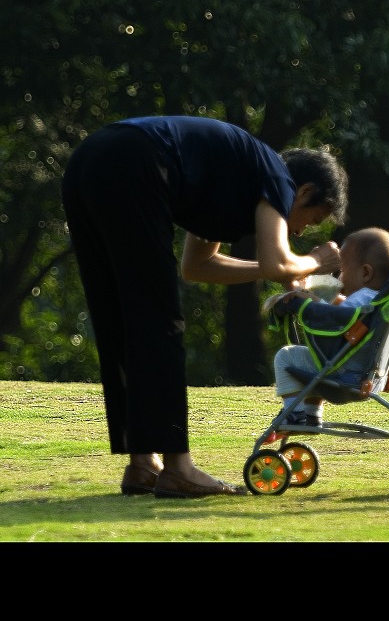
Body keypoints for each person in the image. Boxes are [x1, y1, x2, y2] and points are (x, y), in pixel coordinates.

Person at [61, 115, 348, 498]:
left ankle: (144, 461)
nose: (300, 232)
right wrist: (317, 261)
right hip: (136, 161)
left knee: (121, 317)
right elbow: (280, 263)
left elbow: (197, 267)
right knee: (161, 323)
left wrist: (283, 269)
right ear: (304, 191)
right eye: (311, 220)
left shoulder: (235, 176)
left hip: (89, 160)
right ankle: (178, 468)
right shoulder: (278, 177)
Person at [266, 226, 389, 433]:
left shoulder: (363, 301)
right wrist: (310, 291)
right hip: (365, 372)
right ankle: (312, 415)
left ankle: (295, 414)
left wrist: (309, 301)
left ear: (365, 272)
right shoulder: (376, 303)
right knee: (317, 358)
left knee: (286, 357)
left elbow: (335, 317)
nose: (339, 278)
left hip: (344, 371)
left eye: (343, 271)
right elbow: (344, 308)